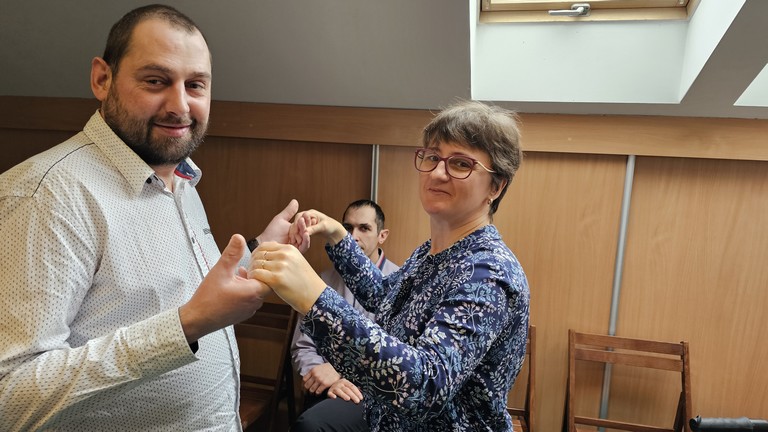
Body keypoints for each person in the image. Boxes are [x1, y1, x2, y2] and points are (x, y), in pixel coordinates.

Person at [0, 5, 298, 430]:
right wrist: (187, 326)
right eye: (156, 81)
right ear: (102, 80)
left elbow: (184, 296)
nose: (180, 106)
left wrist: (257, 252)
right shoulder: (46, 195)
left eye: (195, 85)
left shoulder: (179, 177)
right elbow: (9, 396)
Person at [250, 100, 530, 431]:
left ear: (496, 186)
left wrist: (315, 298)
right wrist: (337, 236)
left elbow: (425, 385)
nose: (437, 173)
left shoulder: (489, 273)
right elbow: (386, 298)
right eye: (432, 157)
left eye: (460, 164)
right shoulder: (434, 252)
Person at [291, 199, 400, 429]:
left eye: (364, 228)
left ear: (382, 235)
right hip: (322, 386)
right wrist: (317, 374)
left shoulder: (398, 284)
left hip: (372, 392)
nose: (353, 236)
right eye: (348, 227)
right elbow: (303, 345)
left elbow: (397, 359)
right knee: (308, 423)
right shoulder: (322, 281)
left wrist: (341, 374)